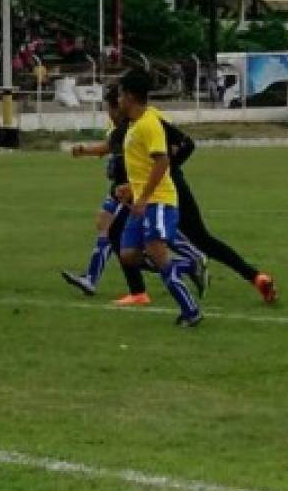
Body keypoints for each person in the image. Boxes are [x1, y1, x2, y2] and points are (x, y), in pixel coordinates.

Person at [63, 85, 206, 306]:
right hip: (127, 190)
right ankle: (175, 268)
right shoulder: (125, 126)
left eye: (112, 105)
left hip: (147, 192)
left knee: (133, 236)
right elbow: (109, 147)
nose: (110, 112)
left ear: (124, 102)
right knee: (124, 240)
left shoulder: (148, 121)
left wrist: (153, 179)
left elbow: (175, 150)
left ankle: (183, 274)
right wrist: (85, 151)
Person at [114, 70, 204, 327]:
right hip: (141, 200)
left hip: (159, 200)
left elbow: (162, 160)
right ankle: (188, 266)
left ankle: (191, 310)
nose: (118, 100)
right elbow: (143, 166)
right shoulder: (134, 124)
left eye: (120, 95)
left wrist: (143, 197)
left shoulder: (148, 123)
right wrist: (130, 188)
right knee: (129, 254)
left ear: (130, 97)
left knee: (157, 252)